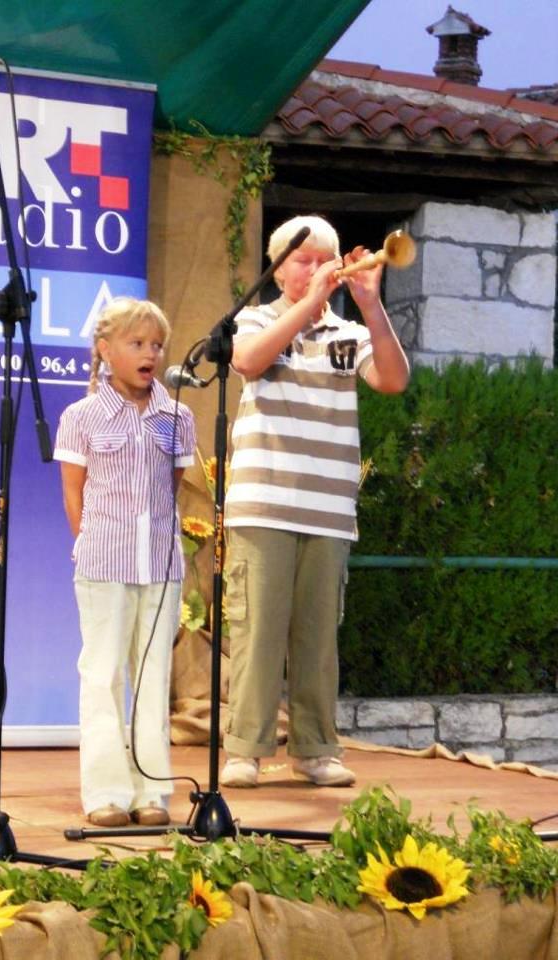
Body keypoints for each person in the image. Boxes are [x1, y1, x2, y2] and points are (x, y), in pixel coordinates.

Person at [220, 215, 410, 789]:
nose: (321, 266)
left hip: (327, 509)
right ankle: (245, 748)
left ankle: (315, 747)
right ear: (280, 269)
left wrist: (370, 307)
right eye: (306, 258)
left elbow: (394, 380)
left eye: (327, 257)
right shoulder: (255, 317)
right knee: (256, 630)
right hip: (263, 503)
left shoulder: (347, 334)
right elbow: (249, 361)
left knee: (317, 634)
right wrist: (309, 304)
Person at [54, 297, 196, 827]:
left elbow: (172, 491)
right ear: (105, 350)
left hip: (159, 566)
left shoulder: (176, 415)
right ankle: (105, 792)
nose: (150, 354)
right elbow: (76, 495)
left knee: (154, 677)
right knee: (103, 674)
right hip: (103, 564)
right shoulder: (81, 416)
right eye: (137, 344)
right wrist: (94, 545)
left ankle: (150, 792)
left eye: (156, 345)